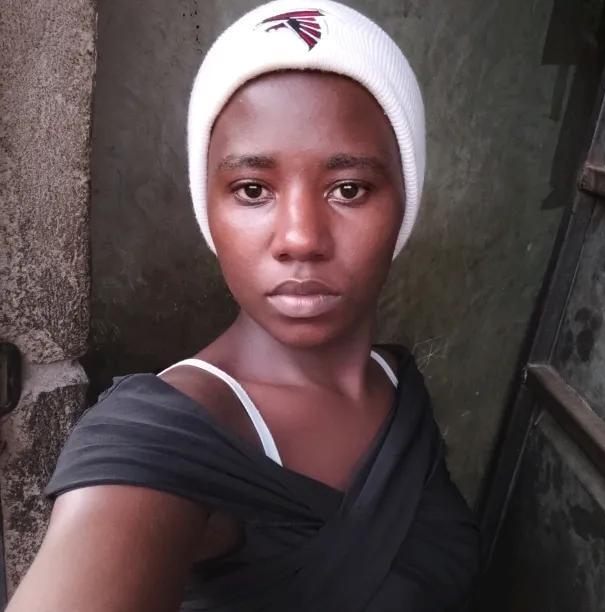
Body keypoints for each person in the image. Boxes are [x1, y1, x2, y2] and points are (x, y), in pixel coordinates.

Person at [7, 1, 480, 610]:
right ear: (208, 207)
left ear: (404, 203)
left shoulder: (395, 383)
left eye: (349, 189)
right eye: (253, 190)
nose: (300, 238)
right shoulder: (164, 437)